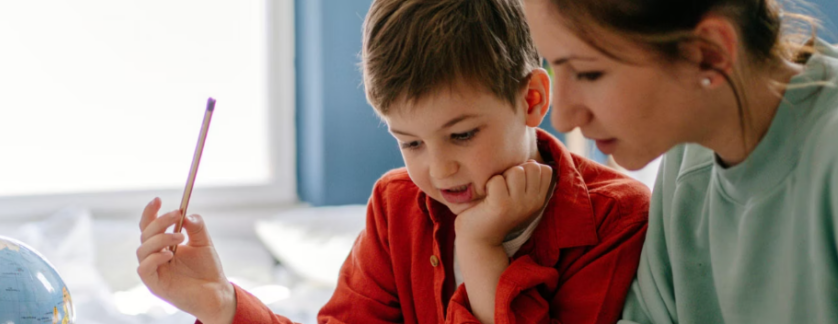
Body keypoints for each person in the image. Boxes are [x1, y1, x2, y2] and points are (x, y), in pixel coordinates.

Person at [136, 0, 652, 323]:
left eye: (462, 134)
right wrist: (222, 305)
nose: (439, 170)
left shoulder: (617, 219)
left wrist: (480, 248)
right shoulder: (397, 204)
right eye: (411, 143)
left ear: (533, 101)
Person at [521, 0, 838, 323]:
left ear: (709, 53)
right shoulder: (688, 164)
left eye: (589, 72)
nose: (565, 115)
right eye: (560, 71)